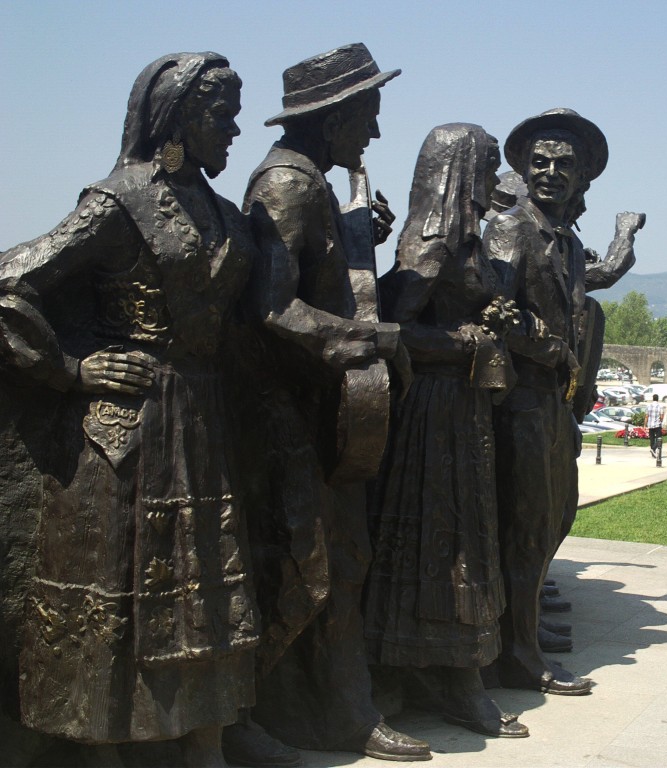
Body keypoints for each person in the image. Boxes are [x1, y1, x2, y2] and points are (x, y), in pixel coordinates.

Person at [0, 52, 256, 766]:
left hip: (201, 426)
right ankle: (101, 751)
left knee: (202, 594)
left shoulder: (223, 211)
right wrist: (70, 369)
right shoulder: (120, 202)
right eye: (221, 114)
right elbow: (9, 285)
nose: (234, 129)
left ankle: (202, 742)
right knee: (116, 594)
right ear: (179, 117)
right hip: (129, 434)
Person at [239, 44, 428, 762]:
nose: (374, 135)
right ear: (336, 115)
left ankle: (342, 707)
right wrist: (363, 335)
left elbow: (314, 273)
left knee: (342, 558)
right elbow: (269, 307)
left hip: (324, 409)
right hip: (297, 413)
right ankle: (297, 715)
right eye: (368, 117)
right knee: (315, 563)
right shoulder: (288, 183)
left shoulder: (315, 181)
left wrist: (354, 237)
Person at [363, 123, 527, 738]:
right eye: (486, 168)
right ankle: (421, 673)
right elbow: (388, 329)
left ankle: (451, 673)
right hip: (431, 414)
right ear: (461, 170)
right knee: (439, 540)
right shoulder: (430, 240)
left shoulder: (469, 241)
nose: (492, 181)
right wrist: (461, 345)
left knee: (464, 537)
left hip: (463, 411)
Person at [484, 108, 644, 695]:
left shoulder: (566, 242)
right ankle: (516, 653)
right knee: (524, 526)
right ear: (524, 169)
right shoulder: (510, 229)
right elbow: (493, 311)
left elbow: (591, 287)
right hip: (520, 399)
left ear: (582, 181)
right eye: (540, 163)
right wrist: (547, 346)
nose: (550, 172)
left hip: (553, 401)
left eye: (564, 165)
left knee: (552, 516)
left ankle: (517, 636)